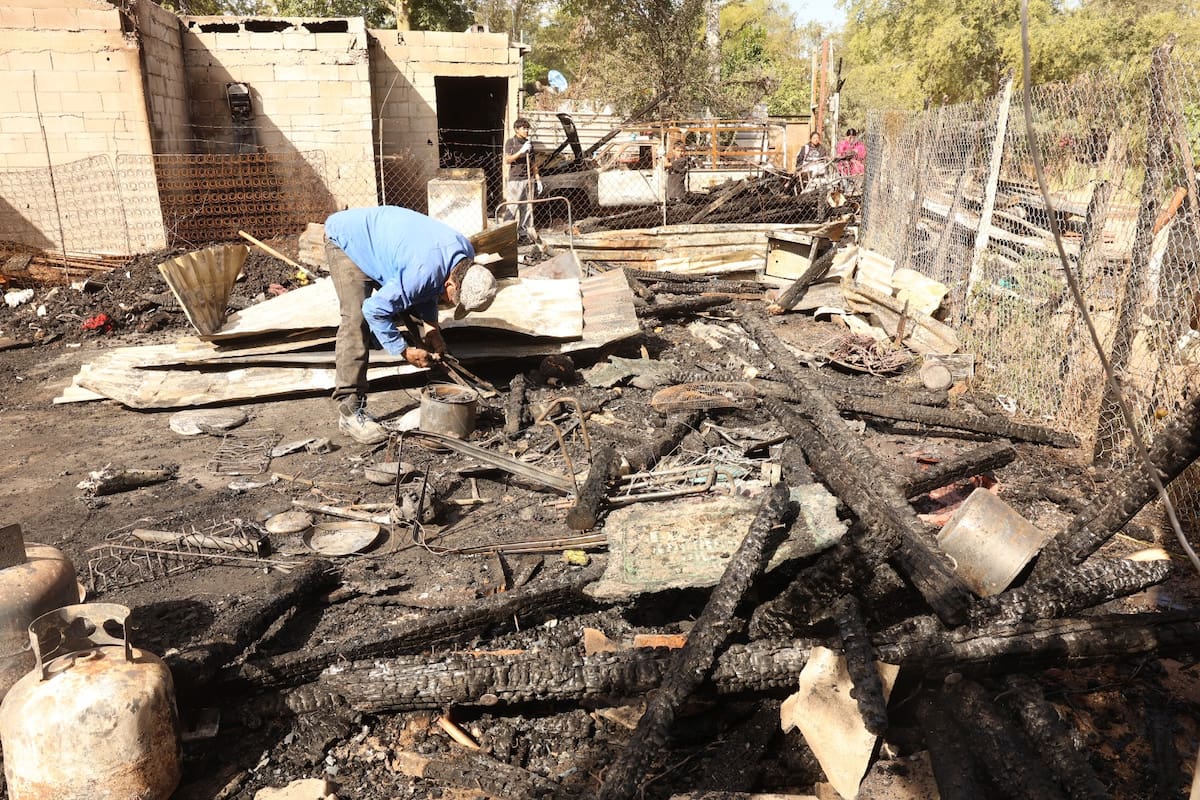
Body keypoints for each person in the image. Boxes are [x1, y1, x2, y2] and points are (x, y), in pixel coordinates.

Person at [324, 206, 498, 444]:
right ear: (452, 285)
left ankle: (442, 385)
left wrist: (431, 327)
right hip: (349, 241)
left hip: (387, 245)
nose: (448, 302)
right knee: (357, 319)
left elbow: (430, 286)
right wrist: (403, 351)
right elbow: (375, 309)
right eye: (452, 300)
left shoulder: (464, 253)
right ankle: (349, 409)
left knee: (414, 306)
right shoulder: (422, 271)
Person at [503, 118, 541, 241]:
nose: (526, 130)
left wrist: (538, 179)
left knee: (527, 209)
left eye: (527, 128)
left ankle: (523, 234)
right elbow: (508, 160)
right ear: (516, 129)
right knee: (512, 207)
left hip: (528, 179)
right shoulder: (511, 142)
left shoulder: (529, 144)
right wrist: (521, 151)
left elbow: (533, 163)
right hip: (515, 180)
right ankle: (506, 234)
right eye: (523, 128)